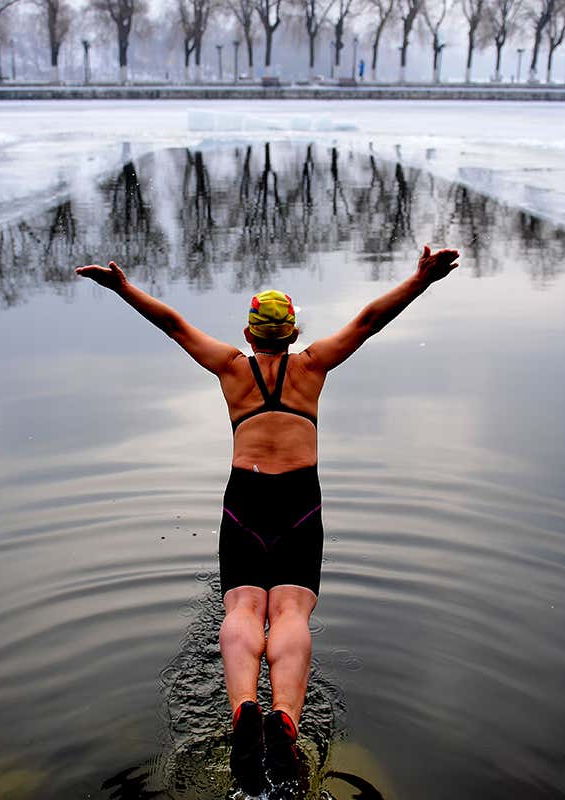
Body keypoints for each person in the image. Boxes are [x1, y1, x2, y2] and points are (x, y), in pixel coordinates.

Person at [75, 244, 460, 794]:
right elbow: (371, 319)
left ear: (251, 334)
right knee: (291, 610)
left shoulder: (232, 368)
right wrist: (421, 280)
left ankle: (244, 712)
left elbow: (174, 325)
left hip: (245, 499)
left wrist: (122, 288)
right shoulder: (313, 365)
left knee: (243, 605)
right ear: (294, 332)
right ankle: (284, 717)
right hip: (301, 502)